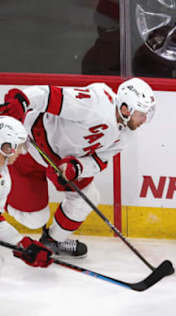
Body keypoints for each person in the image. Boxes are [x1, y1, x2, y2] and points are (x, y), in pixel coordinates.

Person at [0, 77, 156, 258]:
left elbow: (99, 161)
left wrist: (77, 167)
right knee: (35, 219)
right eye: (141, 113)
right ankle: (4, 204)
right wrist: (23, 100)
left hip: (62, 163)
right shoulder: (96, 102)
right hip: (28, 149)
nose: (144, 119)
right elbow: (51, 96)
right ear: (125, 109)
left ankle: (53, 242)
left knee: (88, 197)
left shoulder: (127, 135)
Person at [0, 116, 53, 268]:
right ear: (6, 147)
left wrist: (23, 245)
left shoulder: (4, 174)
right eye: (19, 146)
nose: (21, 152)